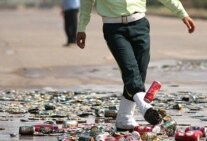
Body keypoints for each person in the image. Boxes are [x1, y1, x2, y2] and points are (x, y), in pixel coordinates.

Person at [76, 0, 195, 131]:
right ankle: (145, 107)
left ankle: (124, 118)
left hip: (140, 25)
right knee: (129, 68)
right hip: (114, 29)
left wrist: (182, 14)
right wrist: (81, 27)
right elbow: (87, 3)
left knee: (139, 72)